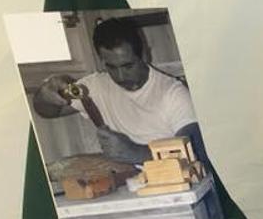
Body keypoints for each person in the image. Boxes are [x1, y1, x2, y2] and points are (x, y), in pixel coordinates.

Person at [33, 17, 208, 166]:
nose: (120, 76)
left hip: (177, 186)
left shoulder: (174, 94)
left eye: (128, 66)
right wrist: (47, 93)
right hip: (128, 185)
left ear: (145, 55)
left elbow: (196, 152)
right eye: (111, 67)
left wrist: (137, 153)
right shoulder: (93, 87)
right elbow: (46, 111)